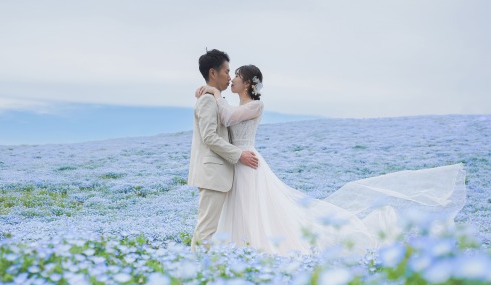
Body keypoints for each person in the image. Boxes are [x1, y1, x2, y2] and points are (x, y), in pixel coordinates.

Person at [195, 64, 467, 256]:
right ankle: (238, 251)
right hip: (237, 162)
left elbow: (227, 118)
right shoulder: (234, 103)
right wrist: (211, 94)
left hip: (249, 161)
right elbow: (224, 117)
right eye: (231, 74)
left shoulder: (256, 105)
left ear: (248, 83)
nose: (232, 79)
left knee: (256, 209)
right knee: (240, 208)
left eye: (237, 76)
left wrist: (214, 93)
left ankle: (256, 249)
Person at [188, 49, 260, 252]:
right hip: (213, 173)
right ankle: (196, 273)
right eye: (227, 72)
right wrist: (239, 155)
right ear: (213, 73)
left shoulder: (214, 99)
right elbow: (209, 137)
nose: (230, 77)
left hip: (219, 173)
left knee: (208, 229)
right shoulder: (207, 100)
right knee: (206, 230)